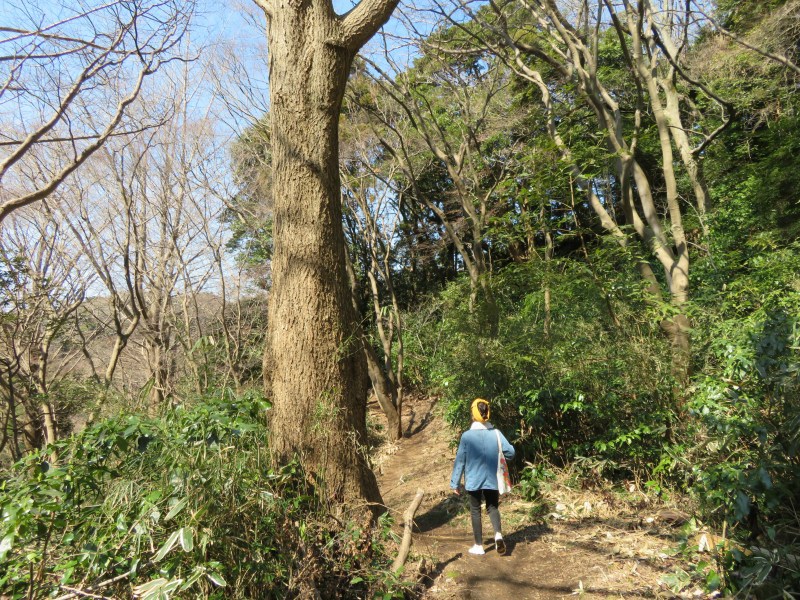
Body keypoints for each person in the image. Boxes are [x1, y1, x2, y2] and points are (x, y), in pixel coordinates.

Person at [450, 398, 515, 556]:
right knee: (492, 507)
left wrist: (455, 483)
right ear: (487, 413)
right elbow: (511, 453)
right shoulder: (496, 433)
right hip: (493, 478)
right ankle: (498, 535)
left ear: (473, 414)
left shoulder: (466, 436)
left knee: (475, 510)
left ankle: (479, 546)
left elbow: (460, 461)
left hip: (473, 480)